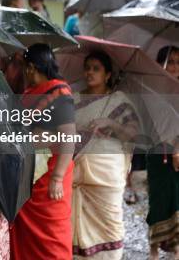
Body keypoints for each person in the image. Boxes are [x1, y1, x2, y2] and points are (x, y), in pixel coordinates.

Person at [10, 43, 76, 260]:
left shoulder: (60, 93)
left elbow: (68, 136)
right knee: (25, 237)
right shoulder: (30, 93)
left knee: (51, 236)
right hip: (28, 178)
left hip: (49, 178)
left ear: (31, 68)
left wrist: (57, 177)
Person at [71, 51, 140, 259]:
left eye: (96, 68)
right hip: (77, 170)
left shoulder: (118, 101)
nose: (89, 72)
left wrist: (110, 124)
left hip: (107, 174)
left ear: (108, 74)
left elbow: (133, 134)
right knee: (74, 224)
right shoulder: (74, 99)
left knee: (110, 223)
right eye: (87, 67)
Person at [146, 46, 179, 259]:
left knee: (177, 197)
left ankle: (176, 248)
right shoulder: (150, 91)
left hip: (178, 152)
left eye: (178, 61)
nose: (174, 66)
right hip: (156, 151)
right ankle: (154, 247)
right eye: (169, 61)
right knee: (157, 198)